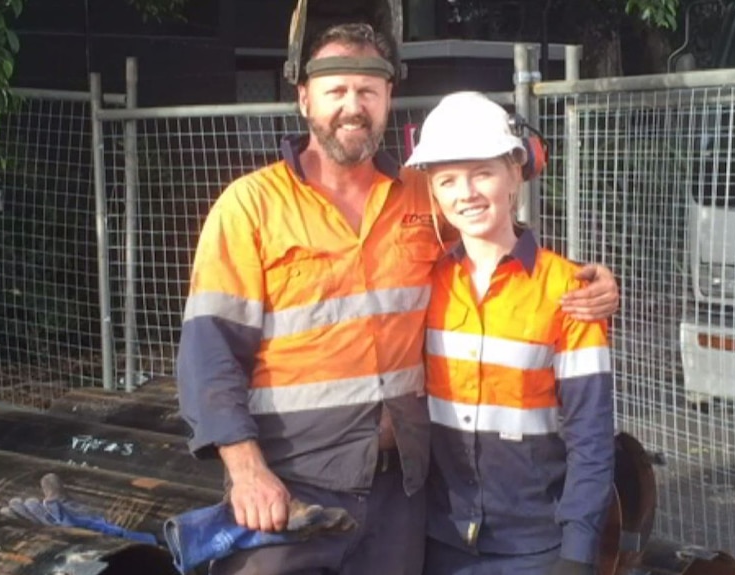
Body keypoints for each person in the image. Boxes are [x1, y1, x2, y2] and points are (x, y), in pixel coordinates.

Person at [176, 23, 618, 575]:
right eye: (336, 91)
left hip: (404, 494)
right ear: (303, 98)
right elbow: (209, 353)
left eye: (368, 91)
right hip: (290, 490)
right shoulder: (250, 208)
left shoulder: (421, 197)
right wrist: (245, 470)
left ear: (388, 100)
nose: (352, 106)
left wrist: (583, 282)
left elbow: (490, 238)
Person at [405, 91, 615, 575]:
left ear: (516, 173)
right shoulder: (422, 283)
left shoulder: (568, 290)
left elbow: (591, 434)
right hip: (439, 538)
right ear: (433, 192)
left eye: (482, 173)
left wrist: (578, 550)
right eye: (448, 180)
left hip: (535, 546)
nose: (467, 193)